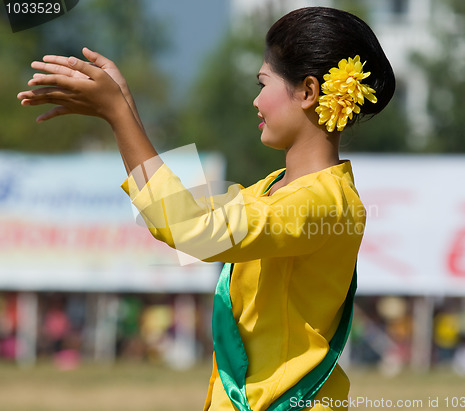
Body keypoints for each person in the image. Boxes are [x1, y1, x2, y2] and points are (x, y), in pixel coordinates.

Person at [18, 7, 395, 410]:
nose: (256, 99)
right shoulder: (272, 189)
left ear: (307, 92)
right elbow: (186, 215)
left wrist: (118, 116)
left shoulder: (323, 203)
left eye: (262, 82)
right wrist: (125, 110)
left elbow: (191, 230)